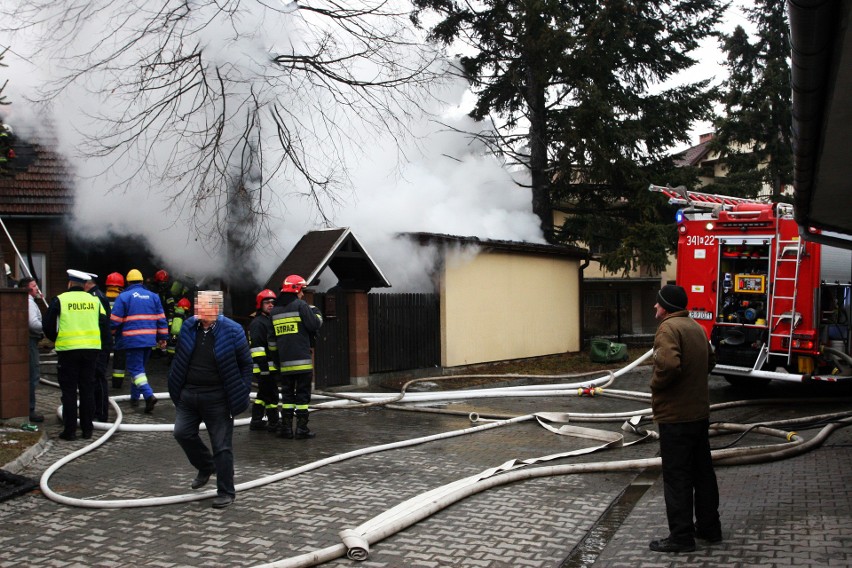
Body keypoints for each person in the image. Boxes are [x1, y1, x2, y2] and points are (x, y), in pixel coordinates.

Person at [648, 284, 721, 553]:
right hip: (698, 414)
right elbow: (711, 361)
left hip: (676, 417)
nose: (655, 307)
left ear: (666, 306)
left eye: (657, 303)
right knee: (703, 473)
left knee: (677, 477)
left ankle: (681, 537)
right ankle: (710, 529)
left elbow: (667, 365)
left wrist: (656, 385)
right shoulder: (696, 328)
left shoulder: (669, 328)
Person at [168, 290, 252, 509]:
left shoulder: (233, 331)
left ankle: (226, 492)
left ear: (215, 309)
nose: (197, 310)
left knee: (221, 446)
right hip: (188, 394)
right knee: (182, 432)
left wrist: (240, 392)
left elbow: (246, 364)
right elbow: (180, 356)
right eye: (197, 306)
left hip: (218, 398)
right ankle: (206, 466)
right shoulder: (189, 326)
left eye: (203, 306)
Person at [43, 269, 109, 441]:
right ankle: (87, 430)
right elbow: (104, 325)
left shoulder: (60, 300)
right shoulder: (95, 301)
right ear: (84, 285)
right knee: (87, 390)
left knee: (69, 392)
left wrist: (57, 338)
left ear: (70, 283)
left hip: (68, 351)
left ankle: (70, 431)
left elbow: (48, 326)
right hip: (91, 351)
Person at [270, 275, 323, 439]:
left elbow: (272, 341)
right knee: (302, 396)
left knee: (287, 397)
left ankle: (286, 428)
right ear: (296, 289)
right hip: (302, 363)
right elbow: (314, 324)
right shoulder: (301, 306)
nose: (302, 294)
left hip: (285, 364)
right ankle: (301, 429)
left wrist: (276, 363)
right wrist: (316, 313)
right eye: (302, 290)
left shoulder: (275, 310)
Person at [110, 269, 168, 412]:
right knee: (139, 370)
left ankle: (148, 396)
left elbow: (115, 320)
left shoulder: (124, 296)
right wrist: (162, 338)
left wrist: (110, 334)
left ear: (128, 282)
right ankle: (135, 398)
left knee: (135, 370)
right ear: (142, 281)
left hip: (132, 340)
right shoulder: (153, 296)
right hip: (149, 340)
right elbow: (161, 318)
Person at [248, 289, 280, 432]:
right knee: (272, 394)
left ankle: (256, 420)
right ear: (260, 305)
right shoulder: (258, 323)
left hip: (269, 366)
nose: (271, 305)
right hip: (264, 367)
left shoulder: (269, 320)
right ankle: (274, 422)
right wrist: (264, 369)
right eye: (267, 303)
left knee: (263, 394)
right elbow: (257, 348)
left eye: (273, 302)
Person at [84, 273, 112, 423]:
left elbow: (100, 323)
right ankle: (96, 410)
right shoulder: (97, 295)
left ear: (87, 284)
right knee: (94, 378)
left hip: (99, 345)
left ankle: (100, 413)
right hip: (98, 344)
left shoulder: (96, 297)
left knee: (99, 378)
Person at [19, 276, 44, 423]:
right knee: (33, 376)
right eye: (34, 286)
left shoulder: (28, 302)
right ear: (27, 288)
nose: (37, 289)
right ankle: (30, 410)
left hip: (29, 341)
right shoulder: (29, 303)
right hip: (30, 341)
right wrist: (46, 327)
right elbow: (33, 323)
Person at [104, 272, 127, 389]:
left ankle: (101, 380)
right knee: (119, 360)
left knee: (103, 358)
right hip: (120, 334)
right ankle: (117, 384)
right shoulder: (124, 298)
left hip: (104, 333)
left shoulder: (101, 298)